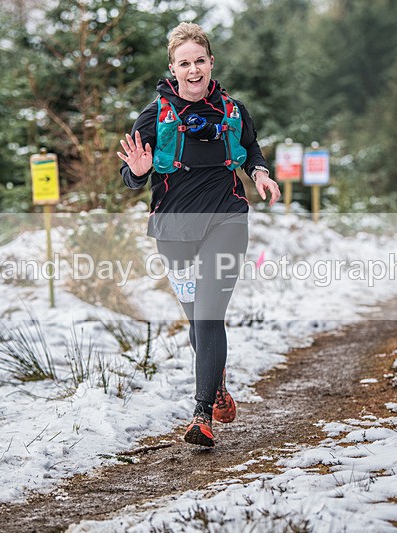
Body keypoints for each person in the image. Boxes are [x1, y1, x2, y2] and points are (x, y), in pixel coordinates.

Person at [117, 22, 281, 447]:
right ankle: (218, 380)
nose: (193, 70)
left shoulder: (232, 109)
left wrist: (260, 174)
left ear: (211, 63)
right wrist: (136, 172)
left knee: (209, 314)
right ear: (172, 68)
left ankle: (200, 414)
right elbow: (131, 175)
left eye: (200, 61)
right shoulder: (154, 116)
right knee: (197, 321)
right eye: (184, 63)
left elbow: (251, 148)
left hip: (227, 219)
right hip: (172, 230)